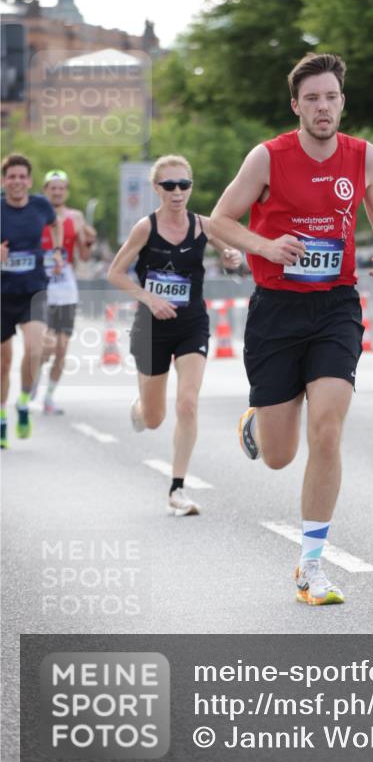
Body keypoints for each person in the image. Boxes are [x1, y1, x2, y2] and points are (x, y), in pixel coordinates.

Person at [210, 52, 373, 605]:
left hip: (336, 308)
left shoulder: (365, 158)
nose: (323, 107)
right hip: (277, 310)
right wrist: (267, 245)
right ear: (296, 105)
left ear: (343, 103)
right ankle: (258, 419)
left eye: (332, 97)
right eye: (312, 98)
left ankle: (311, 567)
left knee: (328, 429)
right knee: (278, 456)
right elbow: (219, 220)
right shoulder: (268, 158)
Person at [107, 155, 242, 516]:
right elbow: (115, 273)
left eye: (184, 184)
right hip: (151, 327)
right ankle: (139, 408)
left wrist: (231, 258)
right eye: (169, 186)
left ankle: (177, 489)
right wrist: (149, 298)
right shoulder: (144, 229)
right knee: (154, 417)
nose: (178, 192)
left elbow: (232, 257)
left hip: (191, 323)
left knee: (188, 402)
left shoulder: (203, 226)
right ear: (157, 189)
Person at [1, 154, 62, 448]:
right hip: (2, 293)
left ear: (29, 180)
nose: (16, 182)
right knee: (3, 363)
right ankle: (1, 417)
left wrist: (59, 250)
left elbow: (55, 224)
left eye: (21, 176)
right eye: (11, 176)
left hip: (34, 289)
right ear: (4, 181)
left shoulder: (41, 205)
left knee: (36, 349)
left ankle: (23, 402)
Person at [34, 169, 97, 415]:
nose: (57, 192)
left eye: (61, 188)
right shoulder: (35, 214)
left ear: (66, 191)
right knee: (46, 346)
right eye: (53, 188)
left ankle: (49, 396)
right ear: (45, 190)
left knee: (61, 349)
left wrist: (89, 242)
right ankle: (33, 385)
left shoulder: (76, 217)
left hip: (66, 288)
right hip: (40, 287)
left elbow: (83, 255)